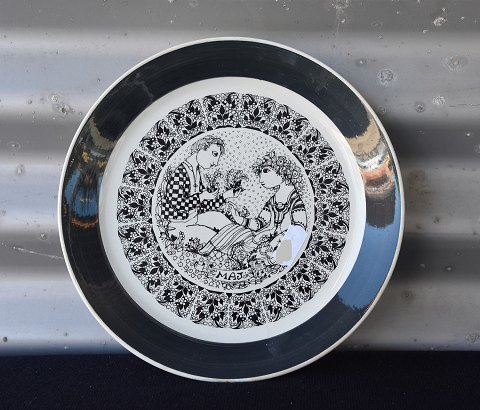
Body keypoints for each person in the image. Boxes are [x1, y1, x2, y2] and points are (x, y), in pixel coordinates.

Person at [199, 151, 307, 267]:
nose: (261, 179)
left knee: (244, 250)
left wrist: (274, 243)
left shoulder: (295, 200)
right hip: (261, 239)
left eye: (266, 171)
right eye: (260, 173)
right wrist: (240, 220)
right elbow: (259, 223)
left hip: (281, 247)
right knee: (233, 229)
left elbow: (299, 230)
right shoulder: (273, 199)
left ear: (282, 171)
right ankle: (207, 253)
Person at [157, 136, 236, 243]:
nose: (216, 162)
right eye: (214, 154)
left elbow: (202, 205)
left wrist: (225, 196)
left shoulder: (196, 171)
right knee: (217, 239)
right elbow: (177, 205)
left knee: (226, 224)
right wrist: (201, 197)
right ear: (201, 147)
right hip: (177, 225)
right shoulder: (179, 172)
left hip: (194, 219)